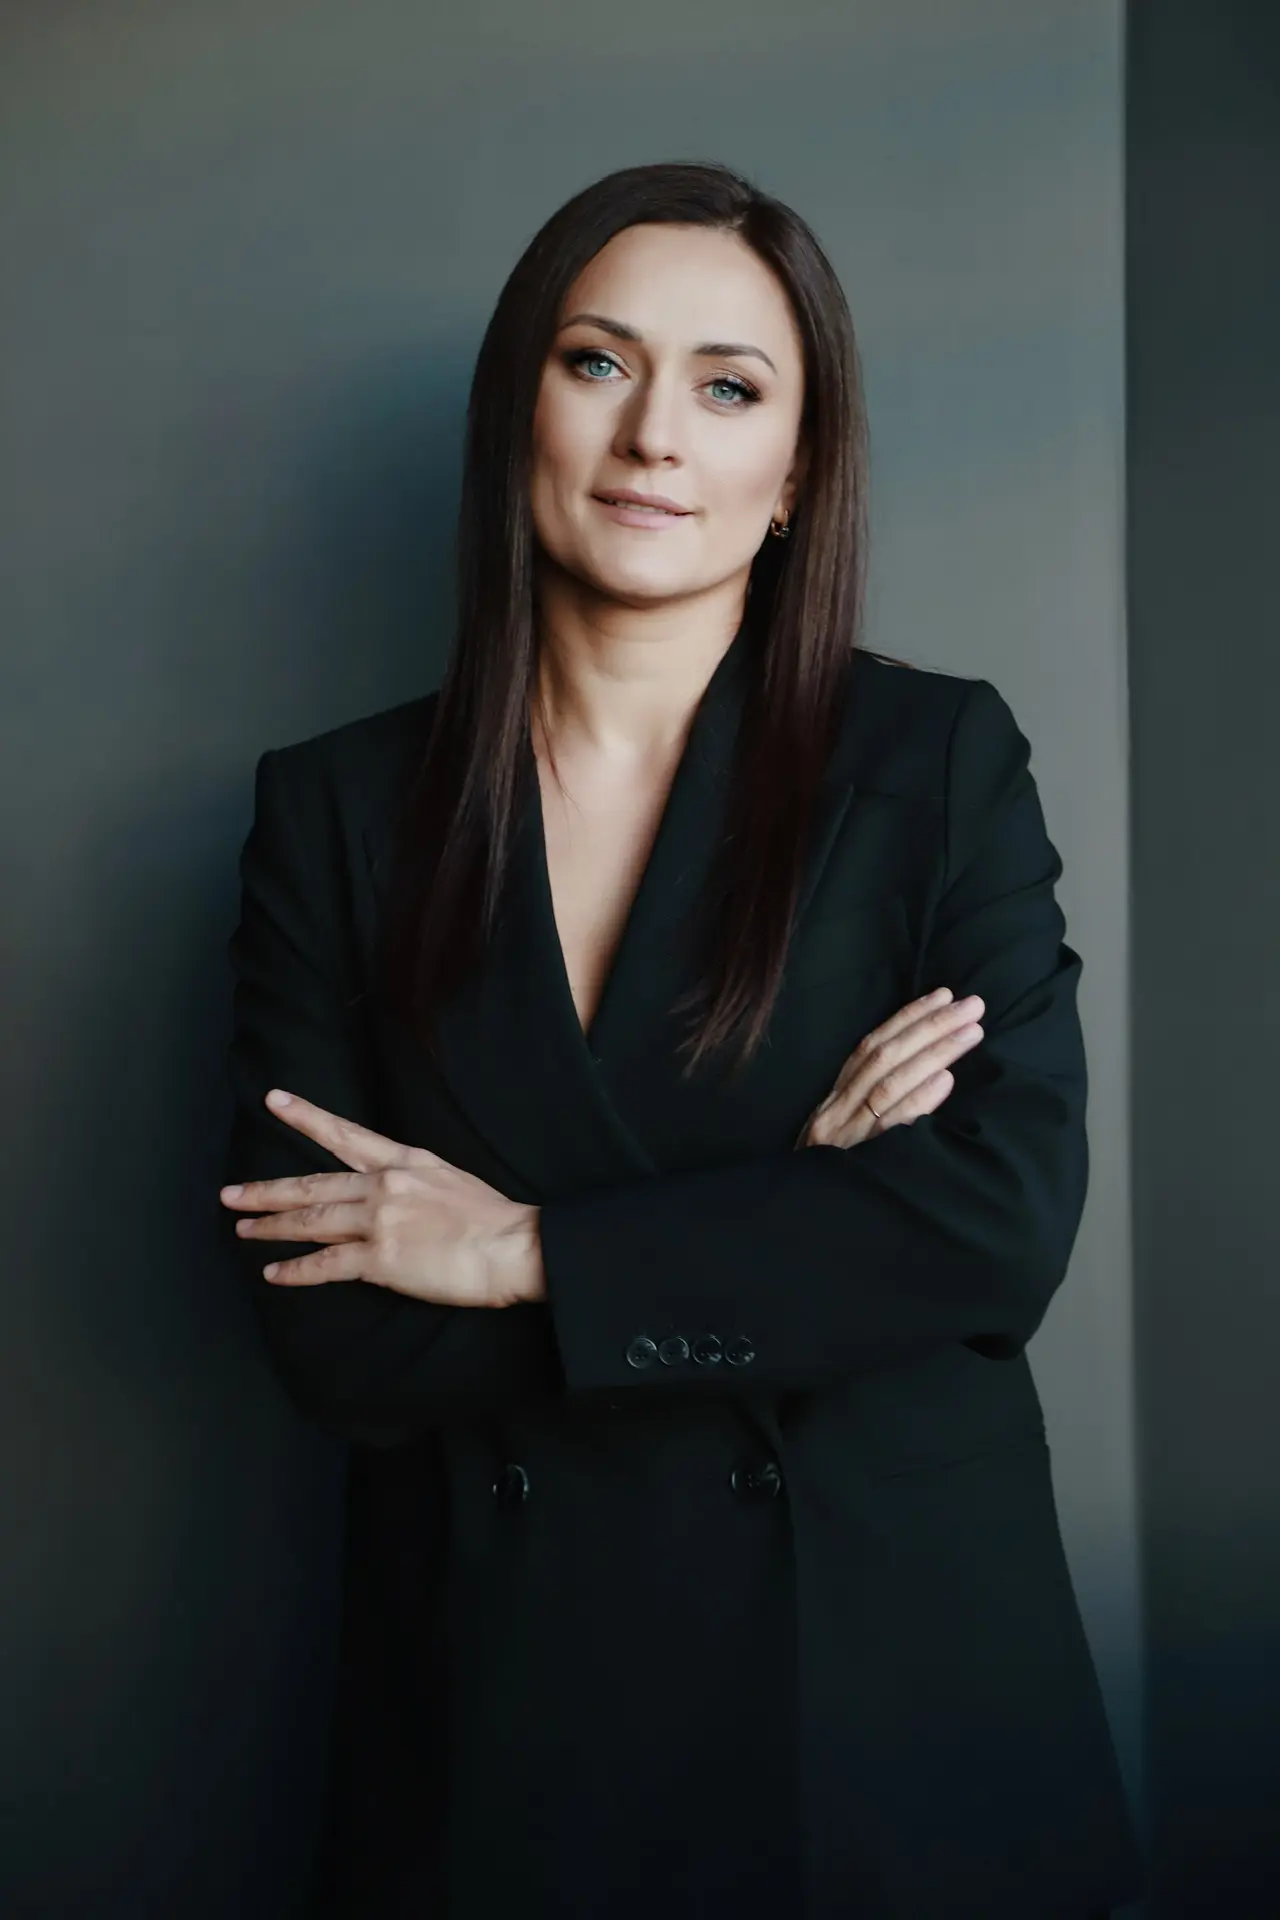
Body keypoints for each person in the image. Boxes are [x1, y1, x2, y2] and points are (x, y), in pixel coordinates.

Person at [220, 161, 1143, 1919]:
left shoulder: (935, 764)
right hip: (504, 1719)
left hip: (879, 1710)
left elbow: (996, 1227)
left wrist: (518, 1252)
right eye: (598, 363)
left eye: (730, 387)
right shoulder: (337, 811)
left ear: (794, 475)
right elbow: (334, 1337)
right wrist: (789, 1210)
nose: (655, 432)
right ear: (517, 413)